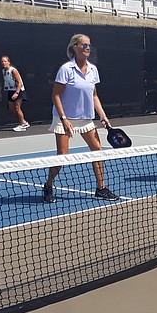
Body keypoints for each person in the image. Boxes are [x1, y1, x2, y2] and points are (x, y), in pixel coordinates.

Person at [42, 34, 118, 203]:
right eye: (84, 45)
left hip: (86, 119)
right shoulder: (66, 69)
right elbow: (55, 95)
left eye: (89, 46)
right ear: (74, 47)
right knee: (62, 155)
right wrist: (63, 119)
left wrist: (103, 116)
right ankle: (48, 185)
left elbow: (94, 96)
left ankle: (101, 188)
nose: (88, 49)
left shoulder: (93, 69)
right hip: (64, 117)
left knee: (97, 151)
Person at [1, 56, 29, 131]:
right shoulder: (3, 71)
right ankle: (24, 122)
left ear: (9, 62)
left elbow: (19, 82)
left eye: (5, 61)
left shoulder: (13, 70)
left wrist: (16, 93)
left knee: (17, 108)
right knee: (11, 108)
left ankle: (22, 125)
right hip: (10, 91)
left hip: (18, 91)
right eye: (2, 62)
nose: (3, 63)